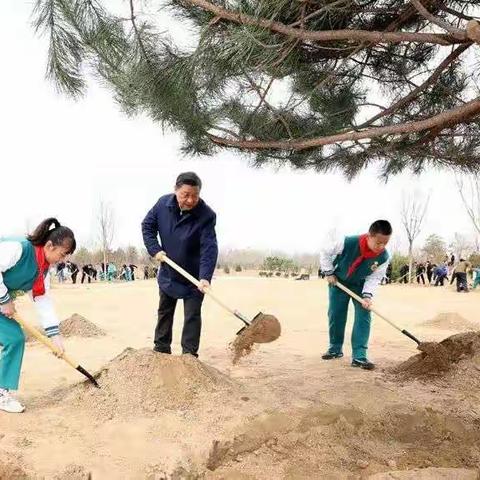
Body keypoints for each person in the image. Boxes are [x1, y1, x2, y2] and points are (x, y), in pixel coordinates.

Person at [0, 218, 75, 413]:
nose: (63, 259)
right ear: (50, 245)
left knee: (14, 338)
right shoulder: (19, 249)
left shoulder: (43, 270)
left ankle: (1, 391)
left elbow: (42, 300)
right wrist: (5, 300)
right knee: (14, 338)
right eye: (63, 254)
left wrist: (54, 335)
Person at [142, 172, 218, 357]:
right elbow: (147, 226)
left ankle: (189, 356)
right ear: (175, 190)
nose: (191, 200)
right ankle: (161, 350)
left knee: (192, 316)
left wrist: (205, 277)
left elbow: (209, 248)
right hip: (169, 271)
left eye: (195, 195)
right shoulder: (162, 205)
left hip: (194, 277)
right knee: (165, 312)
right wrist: (154, 249)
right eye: (185, 194)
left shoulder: (206, 215)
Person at [320, 220, 392, 370]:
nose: (381, 247)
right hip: (338, 281)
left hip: (361, 285)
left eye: (385, 243)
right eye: (378, 243)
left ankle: (359, 356)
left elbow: (374, 277)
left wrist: (367, 295)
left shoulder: (384, 257)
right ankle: (335, 348)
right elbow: (325, 252)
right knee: (336, 314)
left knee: (364, 315)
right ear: (369, 236)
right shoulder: (347, 242)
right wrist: (329, 272)